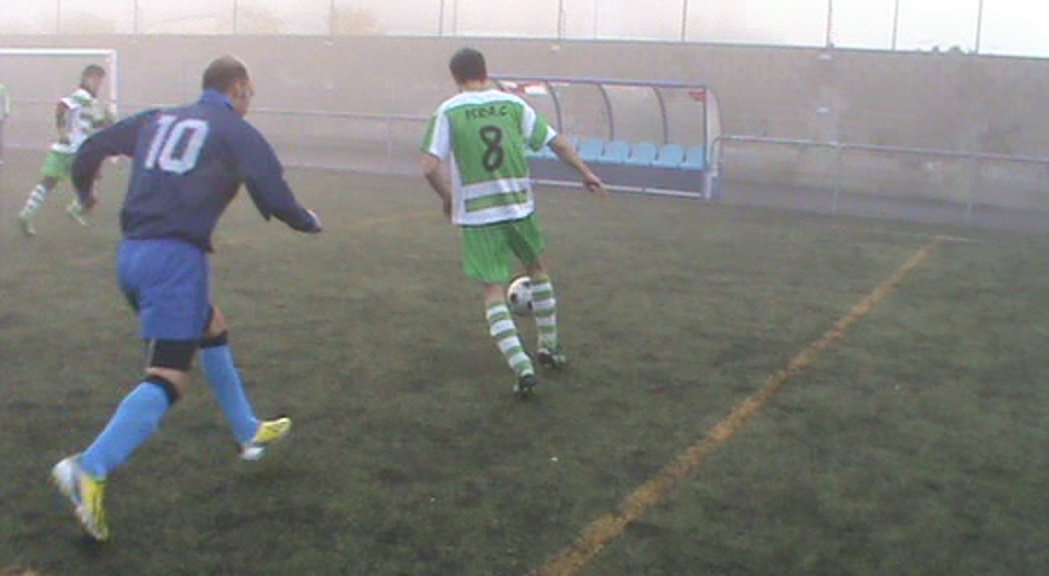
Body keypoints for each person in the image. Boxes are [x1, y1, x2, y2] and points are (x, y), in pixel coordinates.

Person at [50, 55, 322, 542]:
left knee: (210, 325)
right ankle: (89, 467)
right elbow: (274, 194)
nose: (251, 99)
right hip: (174, 262)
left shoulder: (158, 117)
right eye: (250, 91)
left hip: (132, 255)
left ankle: (246, 429)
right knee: (168, 378)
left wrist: (85, 192)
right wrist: (307, 221)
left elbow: (91, 147)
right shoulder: (235, 130)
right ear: (238, 87)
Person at [420, 47, 606, 398]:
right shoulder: (513, 104)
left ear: (455, 77)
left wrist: (448, 198)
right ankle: (549, 346)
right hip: (519, 207)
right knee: (537, 269)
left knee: (493, 289)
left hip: (478, 214)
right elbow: (556, 142)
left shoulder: (449, 110)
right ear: (485, 71)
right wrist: (586, 172)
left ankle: (523, 368)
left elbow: (429, 166)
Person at [16, 64, 114, 236]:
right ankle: (75, 208)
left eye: (100, 82)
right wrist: (62, 132)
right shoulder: (83, 97)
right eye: (96, 81)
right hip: (78, 149)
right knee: (93, 179)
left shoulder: (89, 102)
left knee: (49, 182)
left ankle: (27, 213)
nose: (98, 85)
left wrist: (107, 121)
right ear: (87, 79)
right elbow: (62, 107)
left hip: (64, 149)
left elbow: (93, 124)